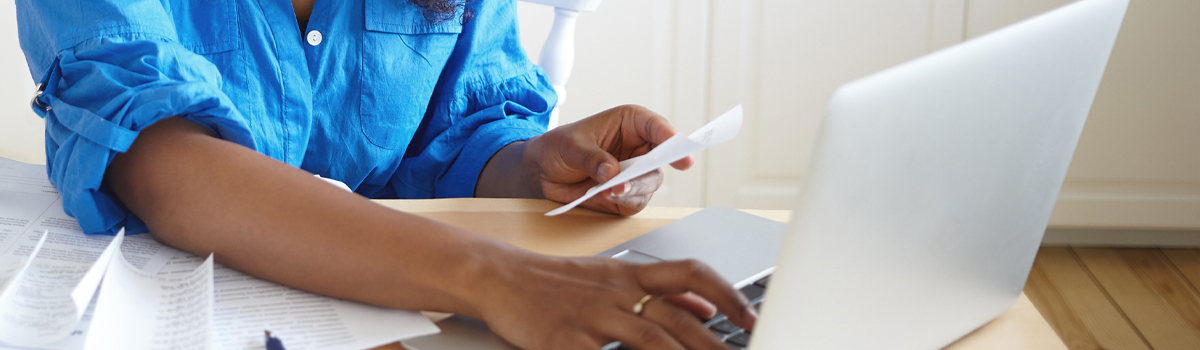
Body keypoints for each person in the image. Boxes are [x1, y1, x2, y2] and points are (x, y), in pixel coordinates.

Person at [17, 0, 756, 348]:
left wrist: (532, 164)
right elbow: (165, 166)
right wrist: (497, 277)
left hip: (400, 321)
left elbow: (460, 135)